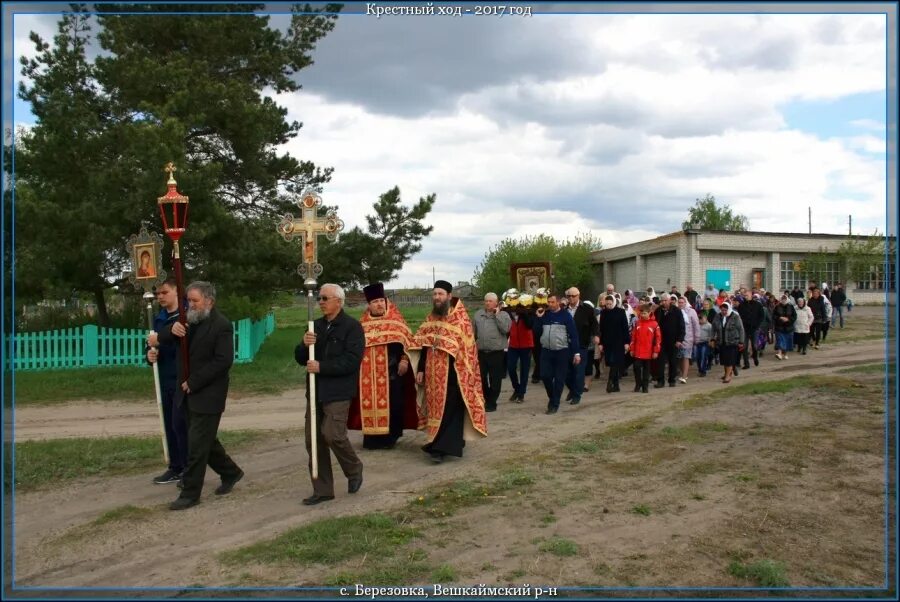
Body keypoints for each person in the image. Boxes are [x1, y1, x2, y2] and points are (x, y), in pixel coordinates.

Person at [159, 281, 244, 511]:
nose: (190, 305)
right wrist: (171, 330)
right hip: (185, 393)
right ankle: (231, 472)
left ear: (209, 301)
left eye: (195, 301)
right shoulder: (188, 321)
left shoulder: (221, 325)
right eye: (188, 301)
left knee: (196, 445)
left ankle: (190, 493)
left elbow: (223, 361)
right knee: (204, 440)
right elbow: (163, 339)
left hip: (208, 394)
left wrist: (193, 382)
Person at [295, 283, 365, 505]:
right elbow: (299, 357)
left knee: (332, 434)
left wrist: (322, 367)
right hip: (315, 390)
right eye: (319, 298)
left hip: (338, 390)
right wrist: (303, 345)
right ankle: (323, 489)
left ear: (339, 301)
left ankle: (354, 469)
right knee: (313, 440)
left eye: (325, 298)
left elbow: (352, 361)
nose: (321, 302)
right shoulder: (314, 326)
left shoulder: (352, 327)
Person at [415, 281, 487, 463]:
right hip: (432, 375)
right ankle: (436, 442)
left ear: (449, 295)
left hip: (454, 375)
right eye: (434, 294)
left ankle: (440, 448)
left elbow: (468, 352)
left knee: (449, 411)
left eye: (440, 294)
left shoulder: (461, 319)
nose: (437, 298)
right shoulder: (431, 318)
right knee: (434, 411)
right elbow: (423, 345)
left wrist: (461, 373)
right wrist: (421, 368)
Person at [348, 283, 420, 450]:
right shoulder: (361, 326)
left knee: (395, 405)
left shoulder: (395, 321)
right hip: (368, 376)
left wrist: (404, 360)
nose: (379, 304)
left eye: (382, 300)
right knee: (368, 405)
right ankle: (372, 439)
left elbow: (409, 343)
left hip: (392, 373)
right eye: (375, 302)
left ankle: (391, 437)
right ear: (369, 305)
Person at [146, 278, 188, 486]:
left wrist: (160, 340)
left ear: (176, 292)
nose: (160, 297)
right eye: (158, 294)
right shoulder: (158, 319)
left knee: (181, 424)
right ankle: (176, 466)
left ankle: (190, 467)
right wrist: (150, 356)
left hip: (183, 377)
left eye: (164, 292)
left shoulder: (187, 315)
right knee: (169, 424)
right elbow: (151, 346)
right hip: (165, 376)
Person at [535, 293, 580, 414]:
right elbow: (536, 331)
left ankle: (554, 404)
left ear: (558, 302)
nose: (550, 304)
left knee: (559, 379)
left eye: (552, 302)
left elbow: (573, 335)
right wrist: (539, 318)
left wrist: (576, 353)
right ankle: (553, 397)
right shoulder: (545, 315)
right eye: (548, 302)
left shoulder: (566, 316)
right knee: (545, 376)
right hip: (546, 351)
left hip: (562, 351)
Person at [473, 292, 511, 412]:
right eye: (486, 301)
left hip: (497, 353)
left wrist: (497, 315)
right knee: (482, 379)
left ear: (496, 302)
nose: (487, 303)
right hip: (482, 353)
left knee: (495, 380)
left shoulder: (504, 315)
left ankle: (492, 402)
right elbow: (473, 333)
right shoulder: (478, 315)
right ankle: (487, 399)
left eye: (490, 301)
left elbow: (505, 329)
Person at [563, 287, 599, 405]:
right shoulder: (564, 309)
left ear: (578, 296)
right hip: (565, 344)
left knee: (578, 371)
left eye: (573, 296)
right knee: (566, 371)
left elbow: (594, 324)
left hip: (581, 343)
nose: (571, 298)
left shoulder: (586, 309)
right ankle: (573, 389)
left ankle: (577, 395)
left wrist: (596, 335)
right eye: (569, 296)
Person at [597, 295, 630, 393]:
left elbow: (625, 328)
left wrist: (626, 342)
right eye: (607, 304)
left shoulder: (620, 312)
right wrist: (601, 343)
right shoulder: (603, 313)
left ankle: (609, 382)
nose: (608, 306)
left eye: (610, 304)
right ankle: (616, 386)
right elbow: (601, 329)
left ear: (614, 303)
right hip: (607, 342)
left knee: (615, 362)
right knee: (611, 363)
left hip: (619, 342)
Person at [653, 294, 685, 388]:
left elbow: (681, 326)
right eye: (662, 301)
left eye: (665, 301)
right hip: (661, 341)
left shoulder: (676, 311)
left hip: (673, 340)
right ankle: (660, 381)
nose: (663, 303)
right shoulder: (658, 311)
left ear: (670, 300)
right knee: (660, 361)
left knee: (673, 361)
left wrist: (680, 339)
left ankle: (672, 380)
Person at [506, 300, 534, 403]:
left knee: (524, 370)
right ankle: (517, 389)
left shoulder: (528, 312)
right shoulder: (508, 313)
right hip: (513, 345)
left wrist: (524, 313)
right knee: (511, 367)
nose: (513, 307)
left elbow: (530, 325)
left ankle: (521, 393)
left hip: (526, 345)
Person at [710, 301, 744, 384]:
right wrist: (712, 339)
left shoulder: (735, 317)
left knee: (729, 359)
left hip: (733, 341)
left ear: (729, 309)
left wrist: (741, 341)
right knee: (724, 359)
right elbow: (713, 328)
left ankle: (728, 376)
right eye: (722, 310)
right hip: (721, 341)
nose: (723, 312)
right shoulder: (718, 316)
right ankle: (728, 372)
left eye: (725, 310)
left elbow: (741, 329)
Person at [629, 304, 661, 393]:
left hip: (648, 352)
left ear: (649, 313)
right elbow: (633, 337)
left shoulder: (654, 324)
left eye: (645, 313)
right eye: (642, 313)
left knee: (647, 370)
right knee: (636, 367)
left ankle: (645, 386)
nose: (643, 315)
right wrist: (632, 349)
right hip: (638, 351)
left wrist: (656, 351)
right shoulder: (638, 323)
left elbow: (658, 339)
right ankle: (638, 384)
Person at [676, 295, 701, 384]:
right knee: (680, 357)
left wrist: (696, 338)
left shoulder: (691, 311)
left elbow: (696, 325)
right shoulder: (676, 311)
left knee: (686, 357)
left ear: (685, 303)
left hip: (688, 338)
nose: (680, 304)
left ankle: (684, 376)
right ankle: (683, 373)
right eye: (679, 302)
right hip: (679, 338)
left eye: (682, 302)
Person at [695, 312, 712, 376]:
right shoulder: (697, 325)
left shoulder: (709, 325)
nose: (700, 320)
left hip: (705, 343)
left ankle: (703, 371)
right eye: (699, 319)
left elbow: (711, 335)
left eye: (702, 319)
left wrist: (710, 341)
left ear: (706, 318)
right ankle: (700, 369)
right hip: (698, 343)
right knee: (698, 357)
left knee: (703, 356)